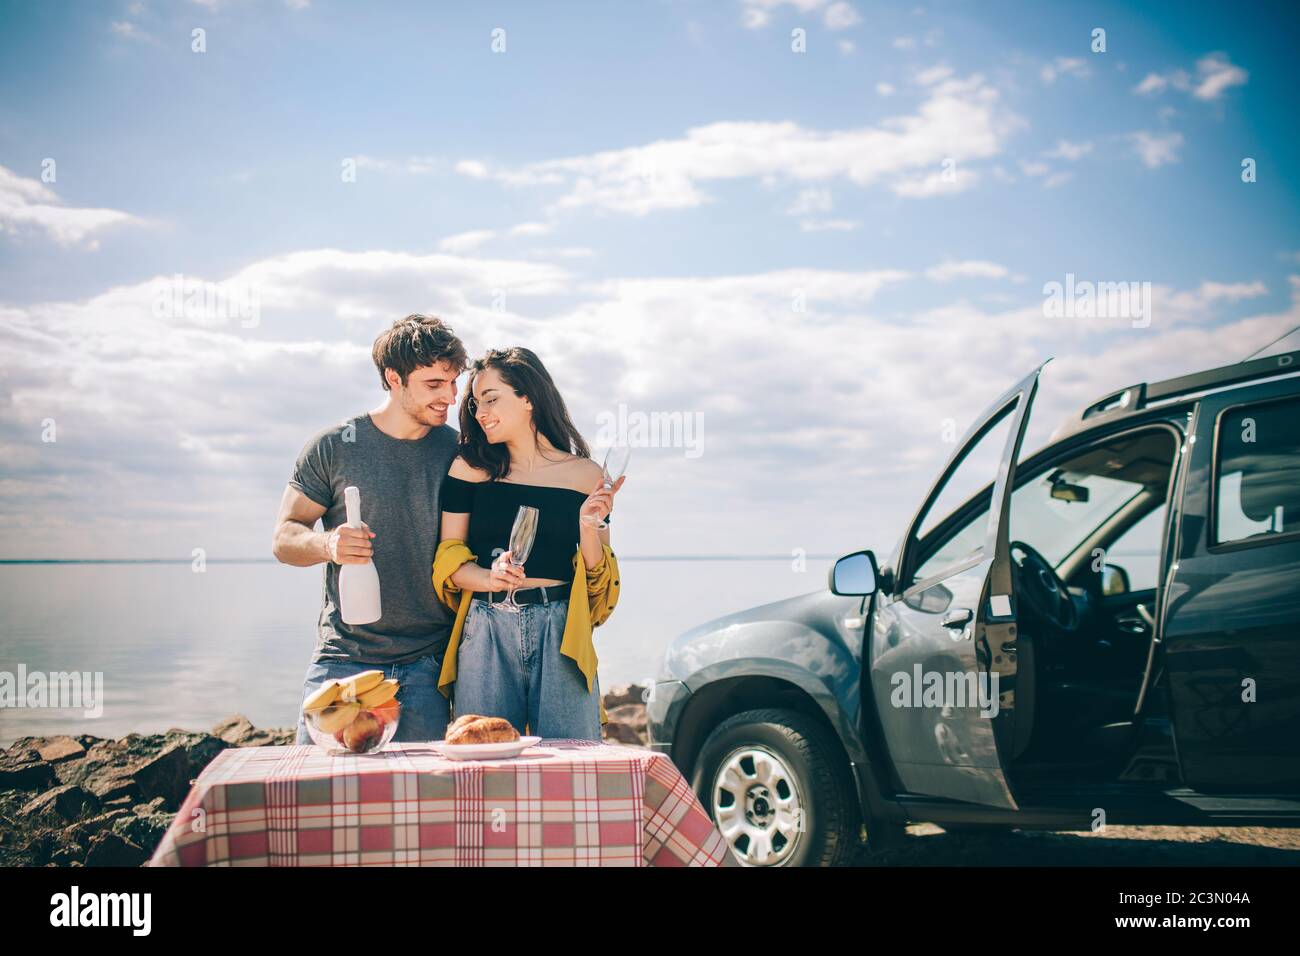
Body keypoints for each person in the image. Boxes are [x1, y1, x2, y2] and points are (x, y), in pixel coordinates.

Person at [272, 315, 468, 744]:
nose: (450, 397)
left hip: (428, 665)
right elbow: (285, 539)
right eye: (434, 384)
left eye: (453, 383)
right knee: (316, 797)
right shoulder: (333, 446)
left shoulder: (459, 453)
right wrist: (327, 544)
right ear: (393, 378)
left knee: (416, 805)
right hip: (342, 658)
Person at [432, 347, 624, 740]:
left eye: (491, 399)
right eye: (475, 402)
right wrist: (489, 577)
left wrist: (589, 527)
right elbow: (448, 558)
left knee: (574, 763)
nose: (480, 411)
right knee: (482, 760)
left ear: (529, 399)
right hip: (486, 629)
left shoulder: (586, 476)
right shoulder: (469, 468)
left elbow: (597, 586)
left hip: (561, 629)